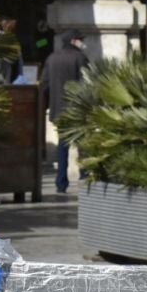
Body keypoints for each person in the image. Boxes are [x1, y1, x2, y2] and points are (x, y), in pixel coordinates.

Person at [39, 29, 88, 193]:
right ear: (74, 41)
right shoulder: (79, 57)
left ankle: (61, 182)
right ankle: (85, 177)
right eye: (80, 39)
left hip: (58, 109)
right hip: (76, 109)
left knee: (62, 146)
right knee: (82, 144)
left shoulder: (52, 58)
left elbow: (44, 84)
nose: (82, 42)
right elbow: (86, 82)